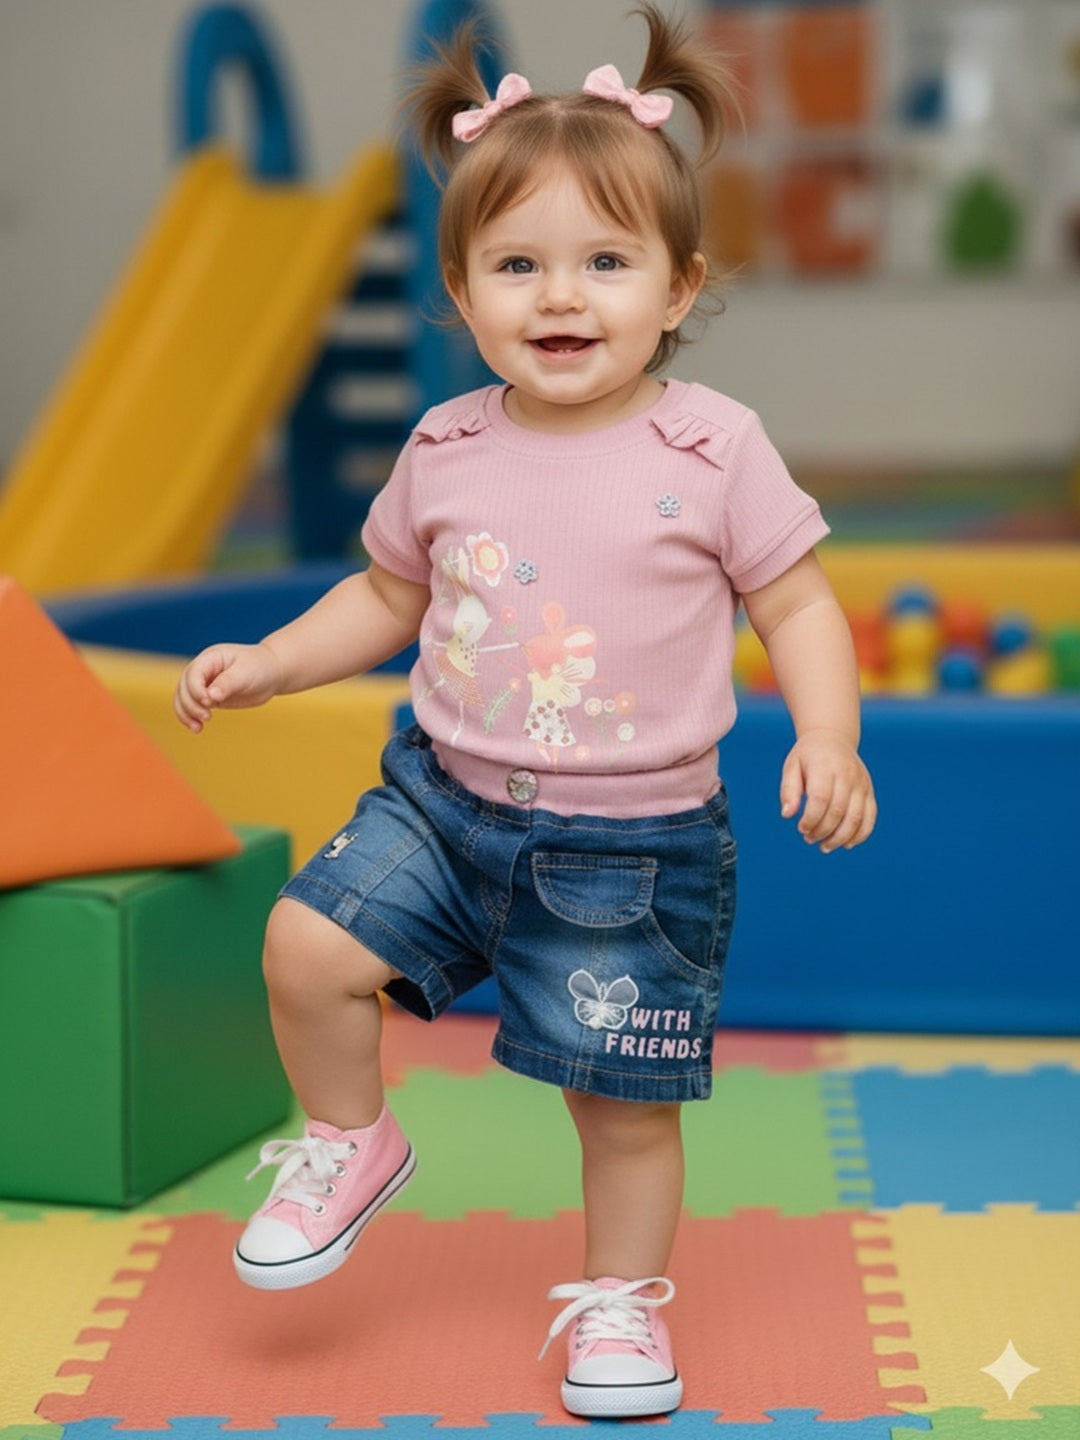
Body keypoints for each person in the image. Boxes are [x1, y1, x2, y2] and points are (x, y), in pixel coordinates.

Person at [174, 4, 876, 1420]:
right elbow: (384, 596)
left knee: (620, 1116)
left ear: (678, 287)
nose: (561, 297)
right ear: (463, 290)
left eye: (605, 263)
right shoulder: (445, 446)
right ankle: (350, 1137)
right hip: (441, 802)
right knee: (305, 948)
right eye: (519, 266)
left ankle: (620, 1308)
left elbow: (796, 604)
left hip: (634, 853)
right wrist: (273, 659)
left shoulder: (712, 446)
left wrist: (829, 733)